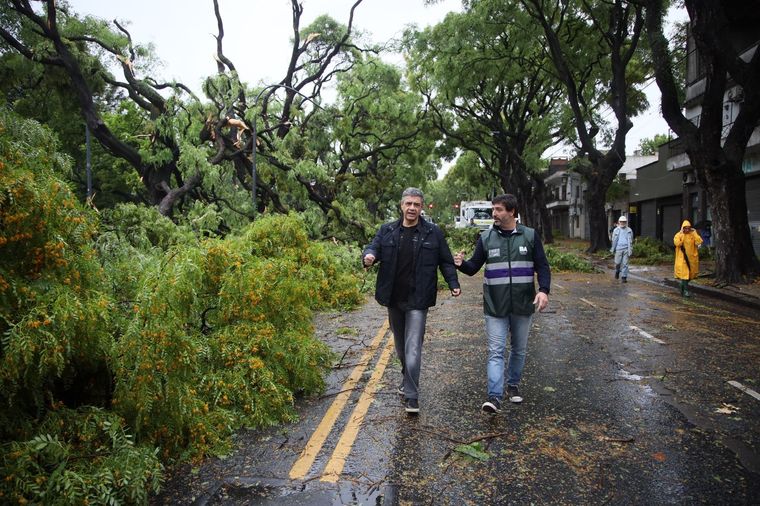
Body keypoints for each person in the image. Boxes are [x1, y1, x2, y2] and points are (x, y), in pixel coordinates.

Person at [362, 187, 461, 414]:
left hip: (418, 298)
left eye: (416, 204)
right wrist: (368, 257)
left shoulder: (432, 233)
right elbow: (373, 248)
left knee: (413, 346)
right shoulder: (387, 230)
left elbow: (446, 261)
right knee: (400, 346)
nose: (412, 208)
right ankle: (407, 378)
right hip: (394, 298)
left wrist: (453, 283)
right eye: (408, 204)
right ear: (402, 205)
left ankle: (412, 396)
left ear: (421, 207)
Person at [454, 194, 550, 414]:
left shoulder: (530, 236)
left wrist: (544, 291)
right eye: (493, 209)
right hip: (495, 306)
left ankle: (513, 384)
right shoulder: (486, 238)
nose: (494, 214)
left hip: (523, 304)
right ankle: (494, 397)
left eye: (498, 209)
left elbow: (543, 266)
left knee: (519, 349)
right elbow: (473, 268)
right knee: (496, 351)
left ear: (512, 212)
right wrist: (460, 264)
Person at [673, 220, 703, 297]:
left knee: (691, 275)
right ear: (683, 228)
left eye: (688, 228)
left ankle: (682, 285)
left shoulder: (693, 234)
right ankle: (686, 291)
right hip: (682, 258)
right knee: (684, 274)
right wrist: (682, 235)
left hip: (692, 258)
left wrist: (695, 233)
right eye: (685, 228)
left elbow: (699, 242)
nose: (687, 229)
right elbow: (677, 243)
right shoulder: (678, 235)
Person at [610, 215, 633, 283]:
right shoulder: (616, 230)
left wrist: (630, 250)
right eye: (621, 222)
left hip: (626, 249)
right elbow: (613, 240)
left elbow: (631, 240)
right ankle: (617, 271)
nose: (622, 223)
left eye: (624, 222)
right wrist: (613, 249)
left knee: (625, 264)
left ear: (626, 222)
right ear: (619, 222)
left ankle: (624, 277)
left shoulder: (629, 230)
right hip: (618, 249)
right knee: (617, 263)